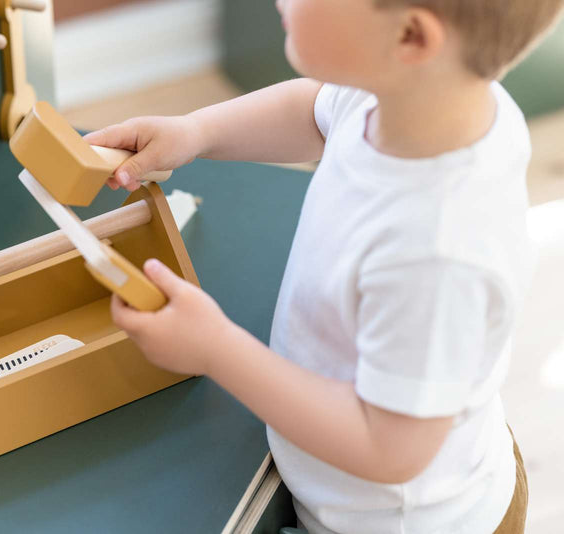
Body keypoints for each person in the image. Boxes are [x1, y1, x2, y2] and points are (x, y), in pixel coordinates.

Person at [83, 1, 563, 531]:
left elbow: (389, 449)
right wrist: (196, 131)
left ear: (409, 36)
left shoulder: (436, 250)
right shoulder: (416, 96)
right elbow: (316, 112)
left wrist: (215, 348)